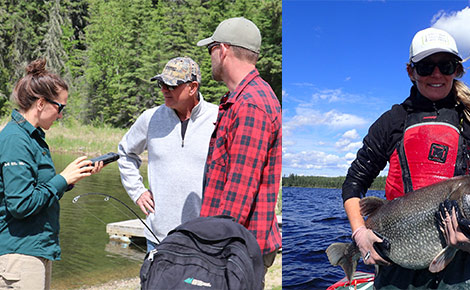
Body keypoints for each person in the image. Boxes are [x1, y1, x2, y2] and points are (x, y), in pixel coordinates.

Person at [342, 27, 470, 289]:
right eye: (425, 67)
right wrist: (359, 233)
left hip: (468, 267)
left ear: (457, 70)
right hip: (399, 263)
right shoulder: (391, 123)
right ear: (411, 71)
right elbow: (354, 183)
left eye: (445, 66)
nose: (436, 74)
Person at [0, 59, 104, 289]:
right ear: (41, 103)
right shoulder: (16, 140)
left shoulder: (33, 137)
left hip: (36, 250)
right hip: (19, 254)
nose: (60, 116)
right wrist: (62, 179)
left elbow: (39, 189)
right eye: (60, 108)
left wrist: (72, 178)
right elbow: (21, 204)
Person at [196, 17, 281, 269]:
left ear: (222, 50)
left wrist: (211, 250)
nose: (210, 57)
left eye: (211, 49)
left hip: (234, 251)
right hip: (234, 246)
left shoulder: (251, 105)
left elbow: (239, 194)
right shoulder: (241, 99)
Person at [117, 57, 218, 251]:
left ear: (193, 87)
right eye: (162, 84)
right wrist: (137, 192)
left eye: (171, 85)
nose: (164, 89)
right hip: (157, 238)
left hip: (204, 239)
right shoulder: (150, 118)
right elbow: (125, 153)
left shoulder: (218, 118)